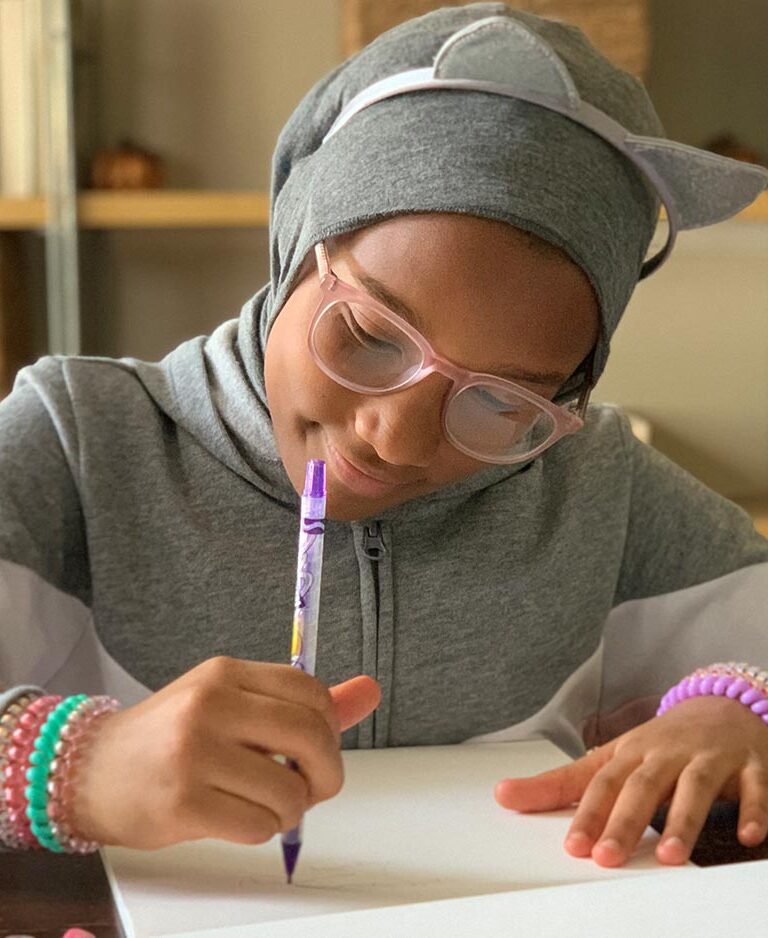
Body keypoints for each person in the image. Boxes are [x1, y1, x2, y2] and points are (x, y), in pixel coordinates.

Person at [1, 3, 767, 869]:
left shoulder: (600, 486)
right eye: (368, 336)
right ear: (294, 245)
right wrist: (67, 765)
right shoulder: (73, 444)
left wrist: (737, 706)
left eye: (502, 401)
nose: (394, 439)